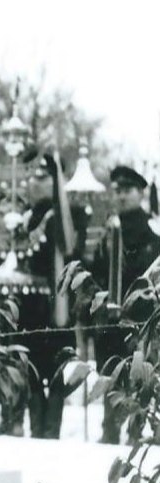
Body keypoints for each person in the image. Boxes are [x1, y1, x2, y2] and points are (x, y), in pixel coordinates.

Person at [14, 153, 89, 439]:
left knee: (58, 381)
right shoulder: (23, 220)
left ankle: (51, 436)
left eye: (43, 176)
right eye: (31, 175)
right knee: (31, 379)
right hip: (28, 312)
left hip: (55, 311)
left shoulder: (63, 219)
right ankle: (37, 435)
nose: (34, 182)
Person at [92, 165, 160, 442]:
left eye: (128, 191)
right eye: (117, 191)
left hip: (142, 320)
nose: (121, 197)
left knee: (139, 376)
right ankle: (110, 429)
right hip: (111, 319)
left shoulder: (152, 233)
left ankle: (136, 432)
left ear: (141, 193)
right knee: (110, 373)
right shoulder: (109, 231)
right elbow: (96, 272)